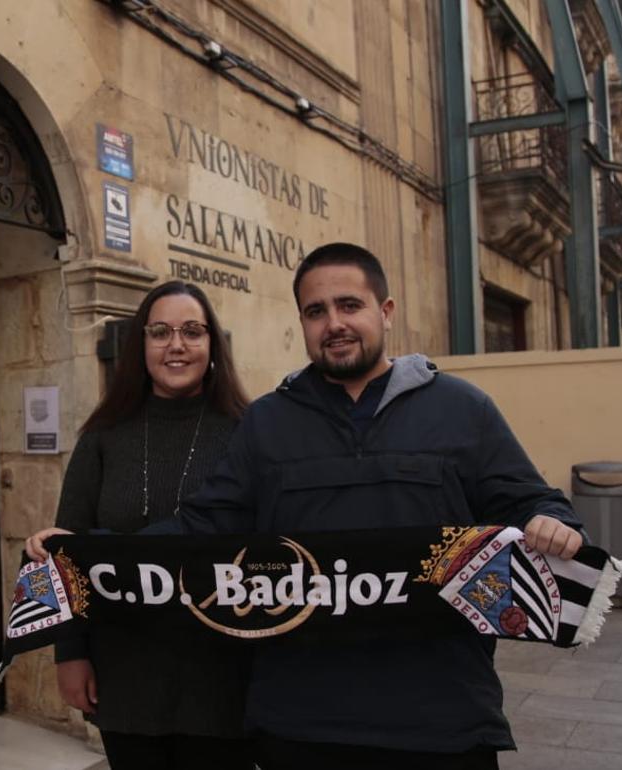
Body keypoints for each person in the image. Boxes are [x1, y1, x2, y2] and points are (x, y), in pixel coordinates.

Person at [30, 243, 583, 770]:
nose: (334, 323)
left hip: (442, 720)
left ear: (385, 311)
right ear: (302, 324)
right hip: (301, 724)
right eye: (316, 311)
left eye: (349, 305)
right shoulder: (268, 423)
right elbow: (202, 528)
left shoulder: (465, 409)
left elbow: (534, 502)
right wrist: (89, 556)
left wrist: (553, 523)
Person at [47, 281, 253, 770]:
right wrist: (69, 654)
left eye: (192, 331)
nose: (176, 345)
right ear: (140, 345)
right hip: (124, 669)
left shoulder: (249, 431)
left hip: (220, 671)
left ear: (213, 345)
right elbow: (68, 553)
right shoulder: (102, 434)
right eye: (159, 332)